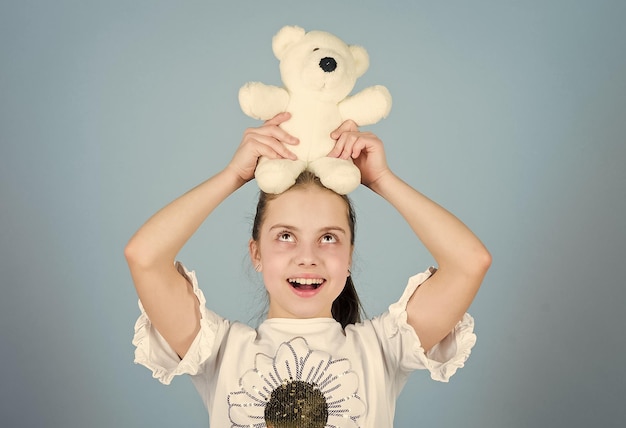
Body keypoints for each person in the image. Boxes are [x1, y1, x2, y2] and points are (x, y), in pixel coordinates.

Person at [125, 112, 491, 426]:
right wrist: (233, 175)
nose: (307, 256)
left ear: (348, 257)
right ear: (256, 253)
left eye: (328, 238)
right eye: (285, 236)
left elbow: (469, 263)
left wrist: (381, 180)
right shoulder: (218, 349)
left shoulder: (383, 348)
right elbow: (144, 256)